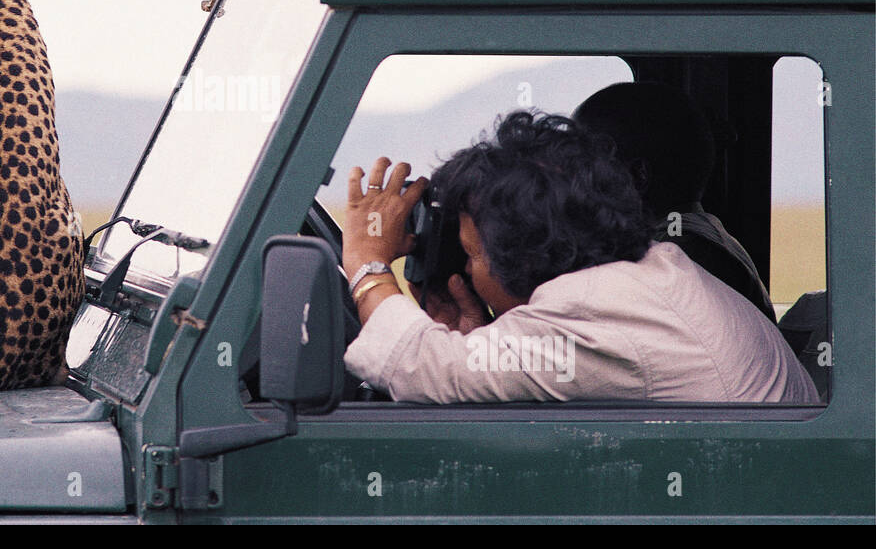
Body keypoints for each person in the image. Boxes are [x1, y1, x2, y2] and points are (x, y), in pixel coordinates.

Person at [341, 111, 818, 404]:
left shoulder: (595, 306)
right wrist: (481, 342)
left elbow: (418, 365)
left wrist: (367, 264)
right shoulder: (647, 275)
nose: (466, 271)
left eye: (471, 256)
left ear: (523, 258)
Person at [572, 81, 776, 322]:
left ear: (637, 176)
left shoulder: (678, 257)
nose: (571, 180)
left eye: (583, 165)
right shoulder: (699, 240)